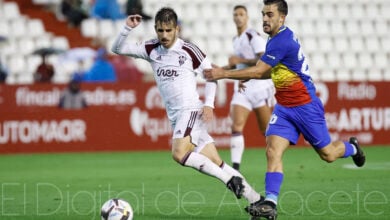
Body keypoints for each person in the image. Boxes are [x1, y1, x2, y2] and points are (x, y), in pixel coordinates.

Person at [204, 0, 366, 219]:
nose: (264, 19)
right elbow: (267, 72)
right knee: (272, 150)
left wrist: (224, 74)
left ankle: (353, 148)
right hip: (284, 108)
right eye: (263, 14)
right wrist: (238, 74)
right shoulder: (274, 39)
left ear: (282, 18)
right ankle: (270, 202)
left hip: (306, 106)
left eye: (270, 15)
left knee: (327, 154)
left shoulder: (282, 40)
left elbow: (258, 70)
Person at [112, 7, 264, 209]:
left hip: (190, 110)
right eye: (160, 30)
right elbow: (117, 49)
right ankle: (257, 201)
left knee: (179, 153)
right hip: (177, 116)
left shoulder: (190, 51)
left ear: (177, 29)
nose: (164, 35)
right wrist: (126, 28)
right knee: (218, 163)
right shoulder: (151, 48)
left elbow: (212, 76)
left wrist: (209, 104)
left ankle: (229, 181)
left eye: (168, 30)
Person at [224, 5, 275, 171]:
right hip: (243, 87)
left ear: (246, 18)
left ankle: (275, 159)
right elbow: (238, 64)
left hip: (260, 86)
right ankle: (235, 170)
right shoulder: (235, 39)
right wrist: (222, 70)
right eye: (236, 14)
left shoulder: (252, 35)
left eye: (241, 14)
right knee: (236, 126)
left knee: (266, 130)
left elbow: (263, 60)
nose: (238, 17)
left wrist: (239, 59)